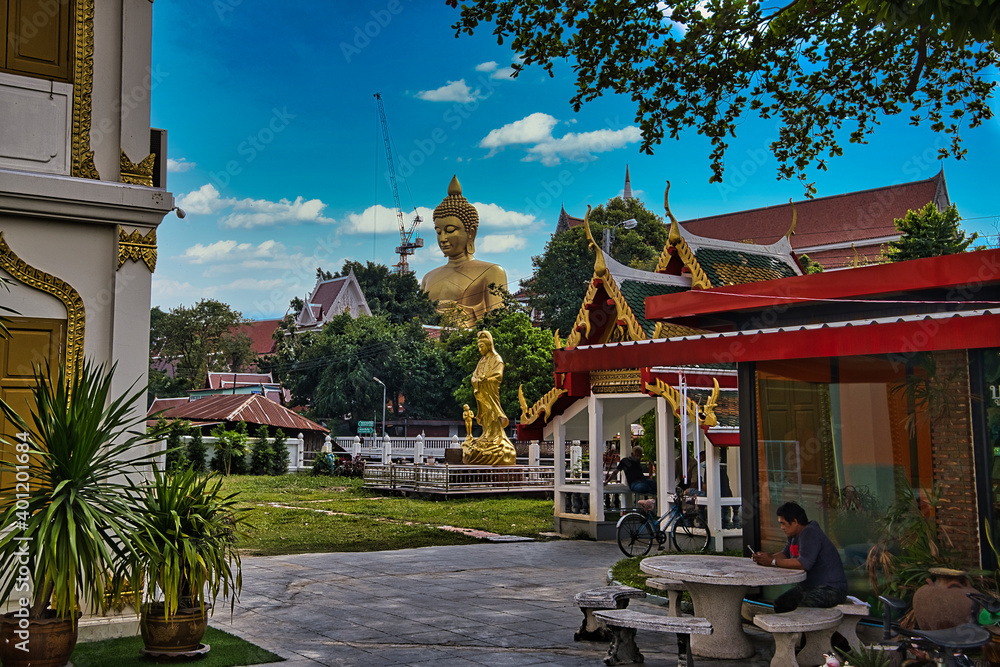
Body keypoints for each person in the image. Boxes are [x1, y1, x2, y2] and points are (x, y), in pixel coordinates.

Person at [421, 175, 508, 325]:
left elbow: (500, 325)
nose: (442, 238)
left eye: (450, 230)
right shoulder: (428, 278)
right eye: (438, 231)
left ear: (471, 232)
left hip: (469, 344)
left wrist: (462, 316)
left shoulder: (492, 272)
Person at [751, 502, 847, 613]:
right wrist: (766, 557)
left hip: (830, 589)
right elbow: (785, 554)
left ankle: (805, 631)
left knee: (804, 608)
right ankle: (787, 630)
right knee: (781, 604)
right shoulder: (793, 535)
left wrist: (772, 561)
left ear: (795, 522)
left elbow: (803, 564)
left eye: (783, 524)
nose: (781, 528)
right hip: (808, 587)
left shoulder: (810, 532)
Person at [462, 330, 516, 466]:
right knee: (485, 415)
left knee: (492, 414)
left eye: (482, 347)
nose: (480, 350)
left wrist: (486, 380)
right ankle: (486, 435)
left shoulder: (497, 359)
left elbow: (498, 376)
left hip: (490, 393)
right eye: (479, 347)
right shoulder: (481, 361)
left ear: (489, 345)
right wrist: (478, 381)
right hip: (482, 393)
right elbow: (473, 377)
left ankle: (495, 437)